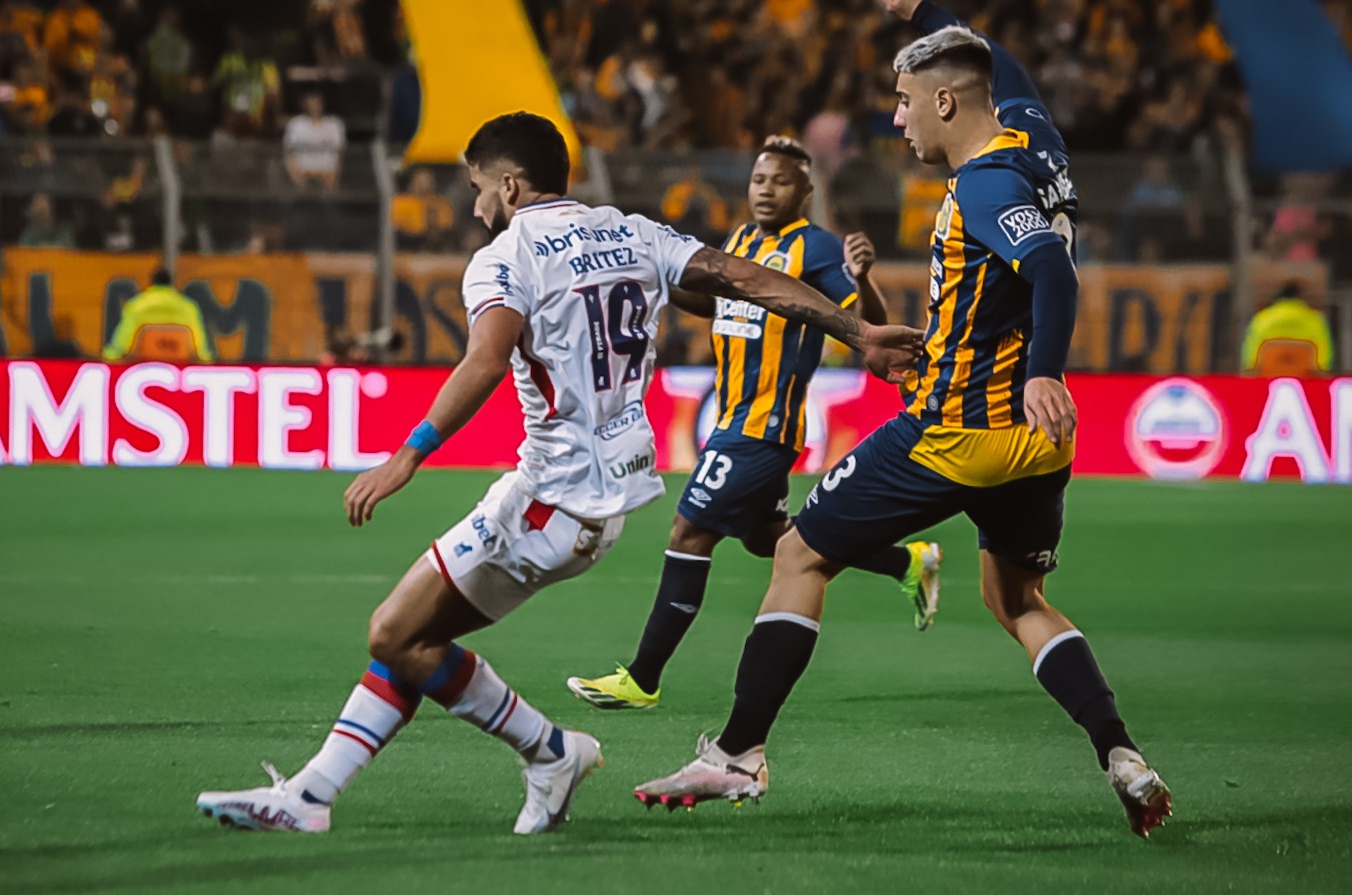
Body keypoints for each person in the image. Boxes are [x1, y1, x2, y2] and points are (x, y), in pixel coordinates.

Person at [193, 111, 924, 835]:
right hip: (601, 504)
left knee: (391, 631)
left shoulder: (508, 255)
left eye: (478, 187)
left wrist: (407, 453)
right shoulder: (631, 232)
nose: (474, 203)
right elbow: (744, 277)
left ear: (510, 185)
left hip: (548, 497)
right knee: (410, 639)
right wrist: (855, 328)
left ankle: (548, 750)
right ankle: (315, 794)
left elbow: (484, 358)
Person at [633, 2, 1174, 841]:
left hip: (957, 428)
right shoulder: (1034, 138)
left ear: (947, 103)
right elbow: (999, 66)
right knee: (1018, 596)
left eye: (903, 99)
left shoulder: (986, 181)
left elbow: (1052, 274)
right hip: (1036, 445)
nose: (896, 116)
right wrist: (921, 11)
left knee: (796, 552)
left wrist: (1040, 372)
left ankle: (738, 752)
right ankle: (1119, 752)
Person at [566, 135, 943, 713]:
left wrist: (862, 279)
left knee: (688, 534)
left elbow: (869, 325)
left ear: (806, 192)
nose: (766, 190)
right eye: (759, 180)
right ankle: (908, 561)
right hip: (732, 418)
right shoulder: (740, 242)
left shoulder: (816, 248)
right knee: (771, 539)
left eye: (781, 181)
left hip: (763, 427)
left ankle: (643, 678)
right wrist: (650, 280)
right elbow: (718, 303)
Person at [102, 268, 213, 363]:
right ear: (171, 283)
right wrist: (205, 359)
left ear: (152, 282)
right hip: (180, 362)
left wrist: (112, 355)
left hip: (144, 362)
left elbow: (123, 339)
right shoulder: (189, 307)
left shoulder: (136, 305)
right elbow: (199, 344)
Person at [1241, 281, 1335, 376]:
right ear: (1300, 298)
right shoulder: (1316, 320)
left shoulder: (1262, 319)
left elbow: (1250, 358)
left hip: (1267, 379)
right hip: (1306, 380)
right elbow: (1323, 361)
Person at [283, 92, 346, 190]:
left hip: (327, 176)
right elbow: (290, 154)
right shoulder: (295, 124)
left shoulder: (334, 124)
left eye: (317, 102)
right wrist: (298, 181)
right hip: (303, 176)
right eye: (310, 102)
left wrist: (331, 182)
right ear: (304, 104)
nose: (314, 106)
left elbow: (338, 154)